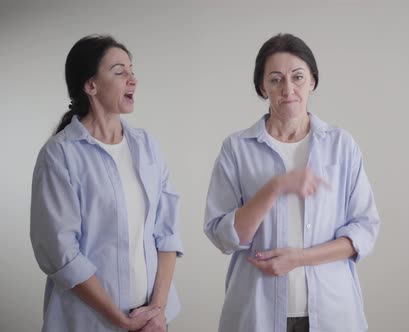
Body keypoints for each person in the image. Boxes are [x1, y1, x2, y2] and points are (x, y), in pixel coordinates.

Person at [204, 33, 380, 332]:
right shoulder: (236, 148)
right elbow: (224, 236)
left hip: (332, 310)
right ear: (262, 87)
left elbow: (364, 231)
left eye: (297, 77)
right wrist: (275, 188)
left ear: (312, 80)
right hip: (256, 310)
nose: (288, 89)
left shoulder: (341, 145)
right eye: (275, 80)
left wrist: (299, 258)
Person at [30, 35, 183, 332]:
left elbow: (168, 232)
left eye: (132, 70)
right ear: (91, 85)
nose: (133, 79)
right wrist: (121, 321)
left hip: (153, 321)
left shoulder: (147, 145)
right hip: (90, 323)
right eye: (119, 72)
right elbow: (62, 254)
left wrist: (156, 311)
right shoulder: (59, 155)